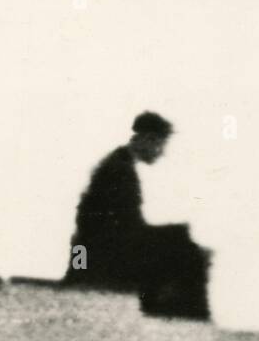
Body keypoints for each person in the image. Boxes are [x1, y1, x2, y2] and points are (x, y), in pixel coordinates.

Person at [63, 111, 211, 320]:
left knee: (177, 240)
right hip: (100, 254)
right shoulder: (119, 170)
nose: (162, 153)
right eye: (161, 145)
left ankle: (166, 311)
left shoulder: (119, 163)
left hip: (96, 250)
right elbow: (122, 228)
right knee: (185, 249)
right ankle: (179, 317)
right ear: (148, 139)